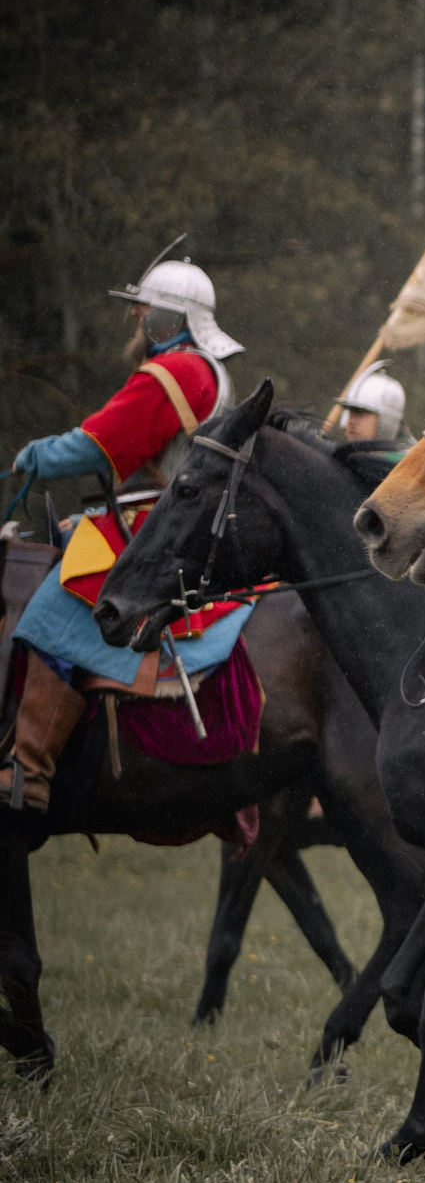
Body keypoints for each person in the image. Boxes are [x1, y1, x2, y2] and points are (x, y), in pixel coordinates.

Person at [6, 250, 245, 811]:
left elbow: (97, 443)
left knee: (54, 607)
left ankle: (29, 769)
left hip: (157, 525)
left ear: (169, 319)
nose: (136, 320)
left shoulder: (175, 370)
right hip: (163, 513)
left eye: (144, 311)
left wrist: (38, 454)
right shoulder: (205, 368)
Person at [338, 362, 408, 447]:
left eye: (361, 413)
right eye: (351, 412)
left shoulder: (407, 459)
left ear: (386, 421)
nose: (352, 422)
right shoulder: (341, 456)